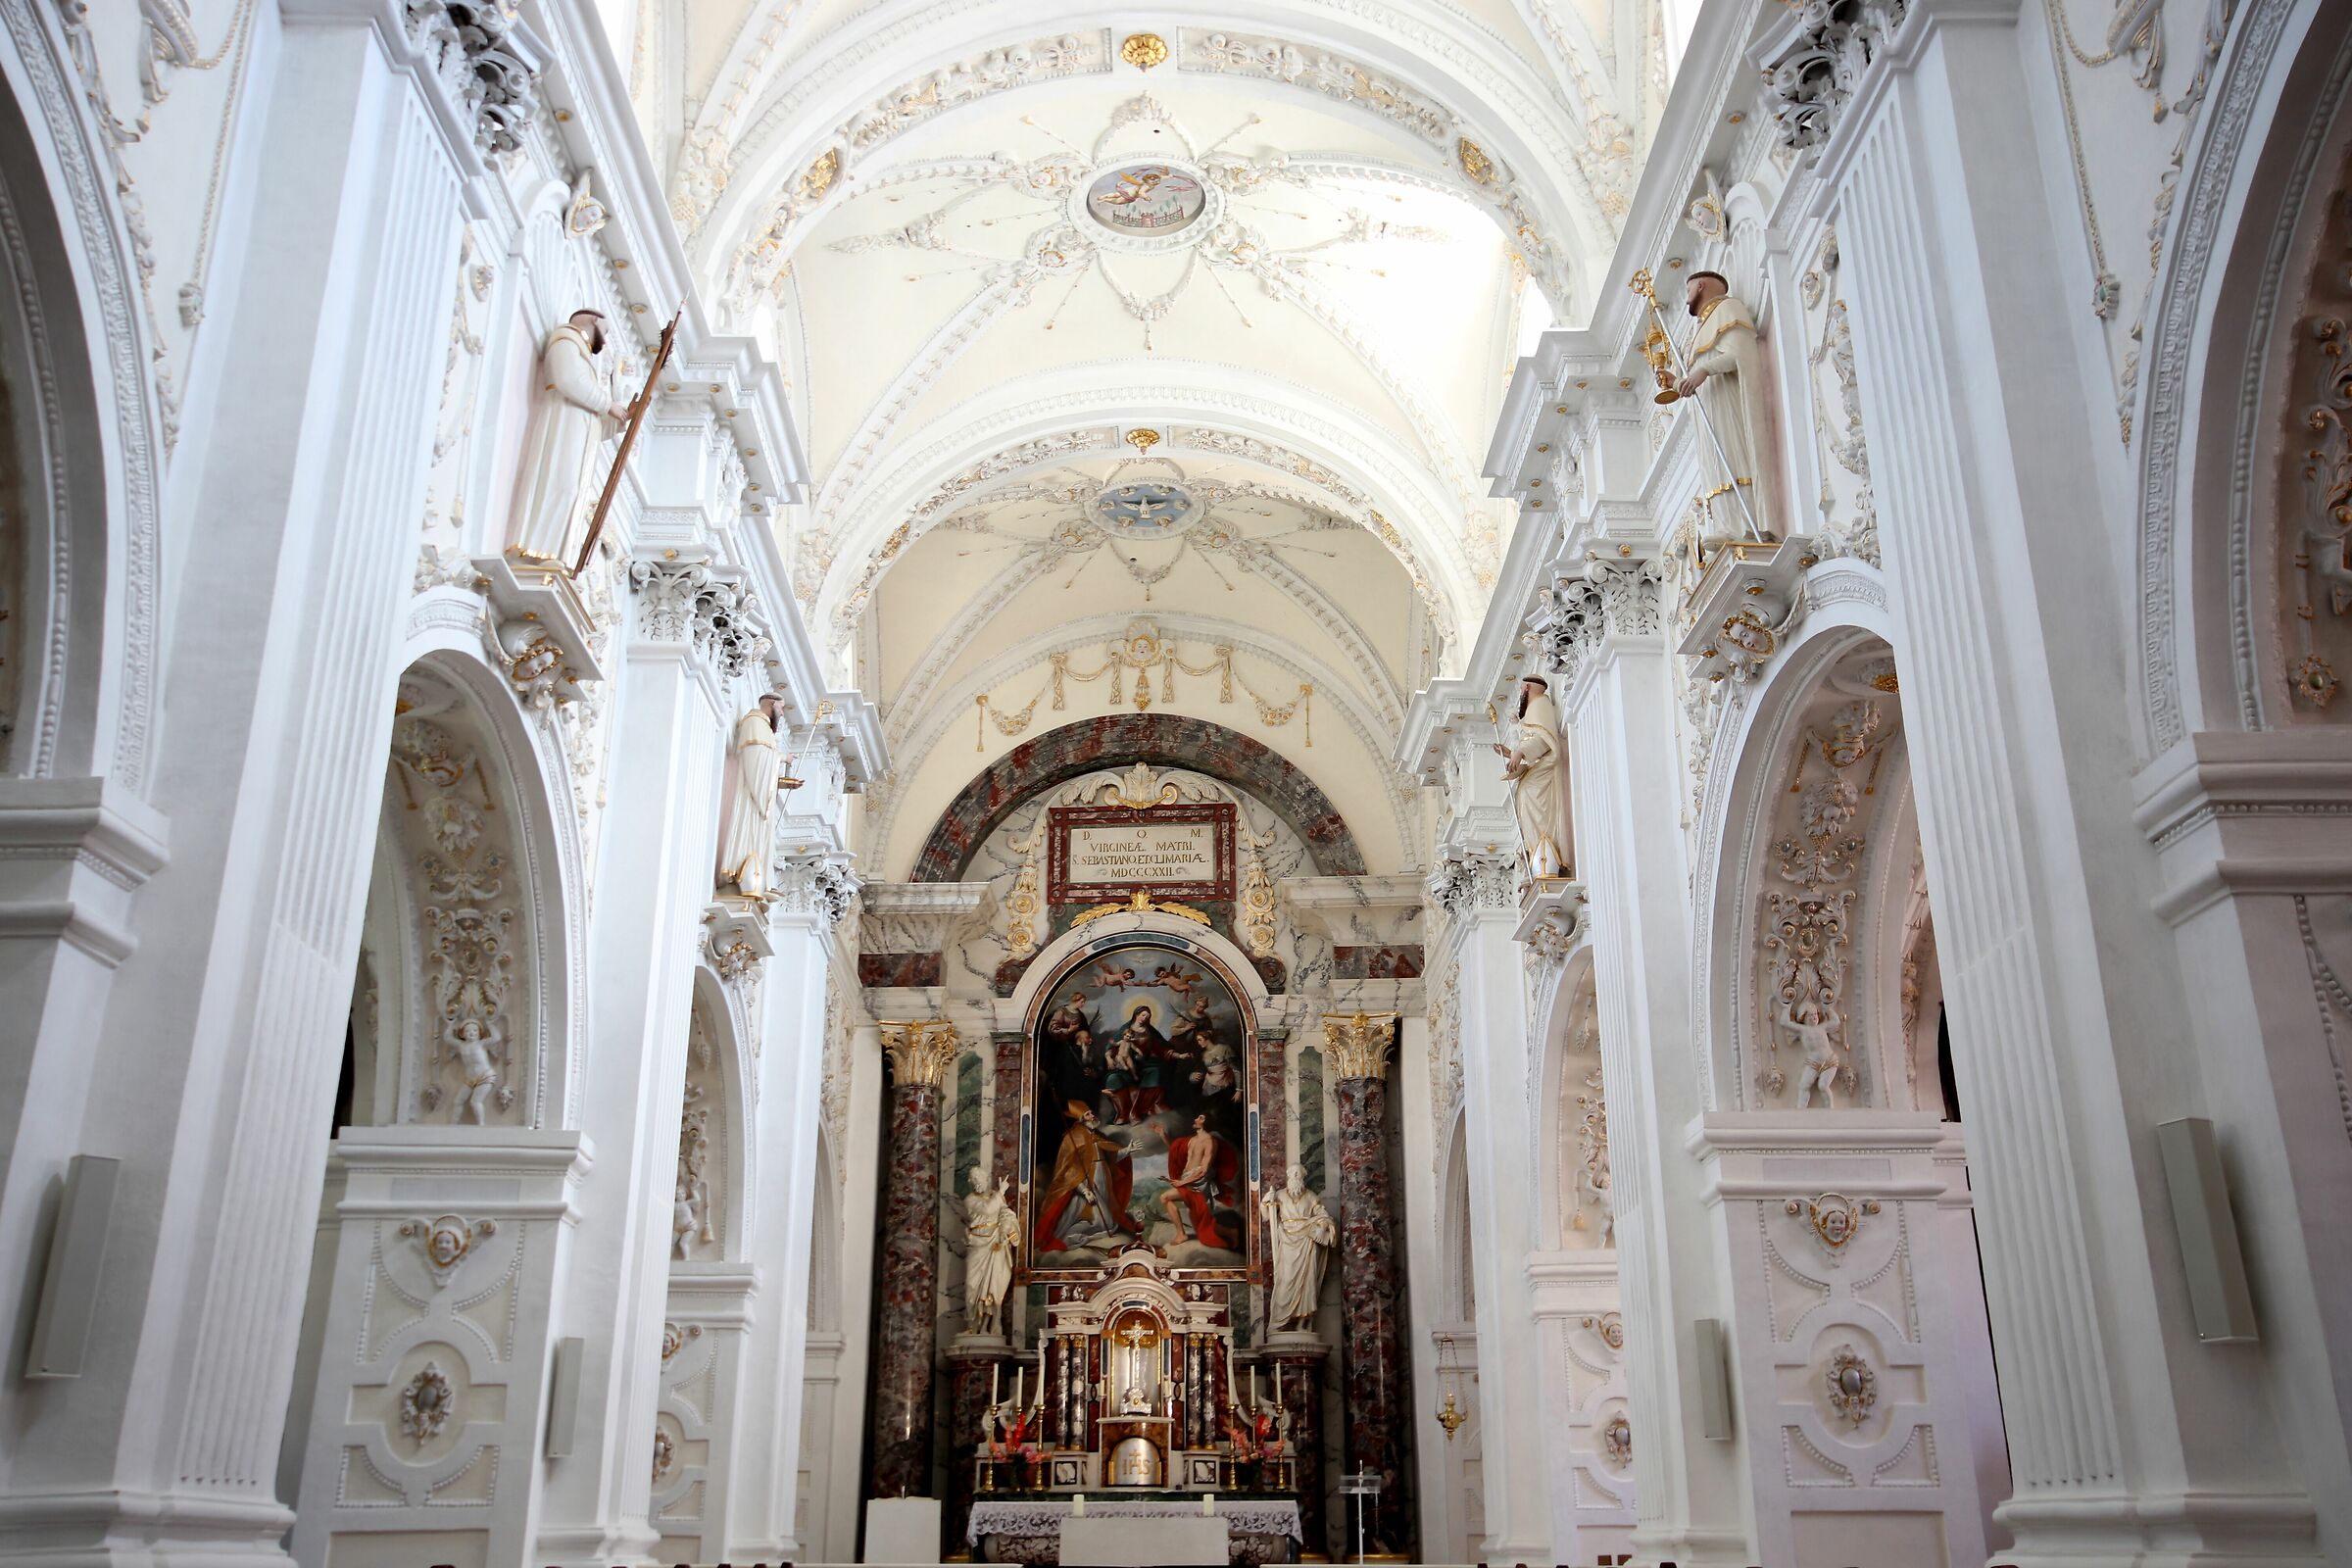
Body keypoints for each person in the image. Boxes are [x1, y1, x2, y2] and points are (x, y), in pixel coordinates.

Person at [506, 309, 633, 563]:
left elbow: (594, 426)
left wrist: (621, 420)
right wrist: (608, 404)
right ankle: (533, 551)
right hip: (562, 429)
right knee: (557, 483)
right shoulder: (566, 339)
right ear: (595, 320)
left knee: (570, 491)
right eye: (606, 332)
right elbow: (567, 380)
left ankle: (550, 553)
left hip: (576, 435)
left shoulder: (582, 359)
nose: (605, 340)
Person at [1675, 270, 1780, 540]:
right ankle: (1726, 524)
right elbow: (1695, 375)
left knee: (1732, 454)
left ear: (1700, 285)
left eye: (1688, 292)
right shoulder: (1700, 330)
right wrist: (1676, 382)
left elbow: (1738, 355)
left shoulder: (1728, 308)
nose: (1687, 301)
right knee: (1713, 460)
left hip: (1728, 401)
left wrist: (1706, 370)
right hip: (1710, 405)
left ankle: (1745, 522)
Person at [1036, 1102, 1141, 1251]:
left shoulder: (1097, 1135)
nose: (1092, 1116)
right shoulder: (1073, 1138)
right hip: (1087, 1183)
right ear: (1081, 1119)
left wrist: (1127, 1150)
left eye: (1092, 1112)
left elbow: (1110, 1159)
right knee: (1100, 1221)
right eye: (1088, 1114)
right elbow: (1068, 1172)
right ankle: (1070, 1237)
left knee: (1109, 1221)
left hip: (1102, 1179)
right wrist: (1084, 1191)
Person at [1494, 674, 1569, 879]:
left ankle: (1547, 860)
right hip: (1538, 767)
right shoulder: (1533, 710)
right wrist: (1511, 753)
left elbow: (1545, 741)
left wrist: (1519, 753)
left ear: (1527, 687)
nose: (1520, 693)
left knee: (1532, 797)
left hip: (1545, 771)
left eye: (1520, 689)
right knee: (1526, 795)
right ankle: (1537, 858)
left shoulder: (1540, 705)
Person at [714, 694, 787, 898]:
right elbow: (755, 759)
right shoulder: (755, 722)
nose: (781, 713)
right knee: (748, 834)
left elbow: (763, 766)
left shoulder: (763, 727)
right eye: (781, 708)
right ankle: (739, 874)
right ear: (771, 704)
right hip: (748, 796)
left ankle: (757, 881)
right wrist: (781, 758)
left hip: (757, 794)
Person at [1260, 1163, 1337, 1331]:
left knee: (1307, 1283)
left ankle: (1304, 1323)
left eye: (1298, 1174)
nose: (1295, 1177)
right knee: (1284, 1280)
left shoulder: (1311, 1196)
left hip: (1307, 1242)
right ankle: (1280, 1322)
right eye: (1293, 1174)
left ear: (1303, 1177)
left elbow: (1323, 1215)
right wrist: (1266, 1202)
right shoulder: (1279, 1195)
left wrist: (1323, 1225)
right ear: (1288, 1176)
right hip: (1287, 1241)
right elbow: (1267, 1217)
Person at [1159, 1113, 1240, 1248]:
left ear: (1206, 1121)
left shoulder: (1209, 1141)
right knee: (1200, 1223)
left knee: (1165, 1198)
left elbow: (1204, 1169)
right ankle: (1231, 1232)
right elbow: (1175, 1149)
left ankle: (1181, 1234)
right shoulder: (1192, 1139)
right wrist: (1162, 1135)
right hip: (1187, 1180)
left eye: (1200, 1117)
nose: (1196, 1119)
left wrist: (1182, 1183)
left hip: (1199, 1183)